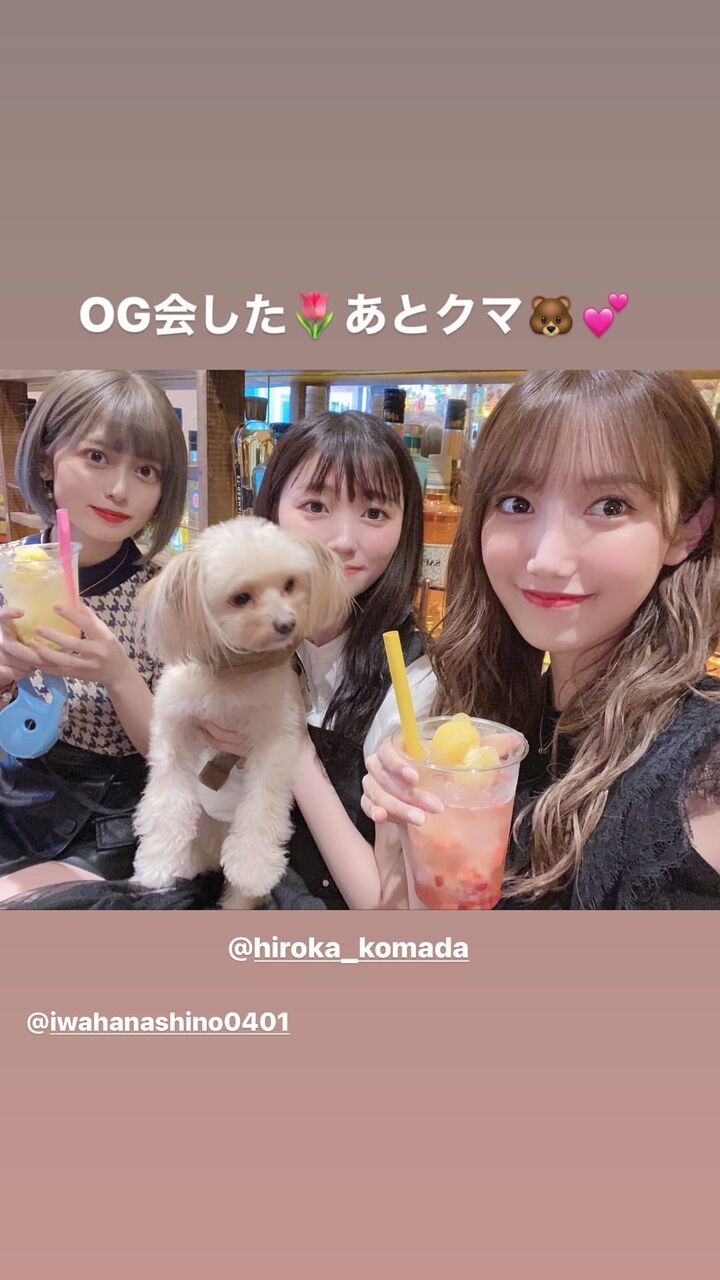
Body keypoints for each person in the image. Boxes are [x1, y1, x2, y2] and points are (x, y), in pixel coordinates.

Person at [361, 370, 720, 909]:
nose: (547, 559)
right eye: (516, 503)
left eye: (610, 505)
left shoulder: (700, 777)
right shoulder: (507, 724)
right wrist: (401, 842)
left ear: (687, 527)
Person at [198, 410, 433, 908]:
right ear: (272, 513)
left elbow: (382, 907)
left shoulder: (416, 679)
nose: (343, 541)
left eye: (375, 513)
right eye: (315, 506)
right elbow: (213, 805)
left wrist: (291, 748)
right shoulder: (243, 639)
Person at [0, 369, 187, 891]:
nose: (120, 490)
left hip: (110, 821)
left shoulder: (168, 596)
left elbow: (181, 760)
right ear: (46, 460)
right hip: (13, 795)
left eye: (146, 470)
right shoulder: (8, 571)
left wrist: (119, 676)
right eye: (97, 456)